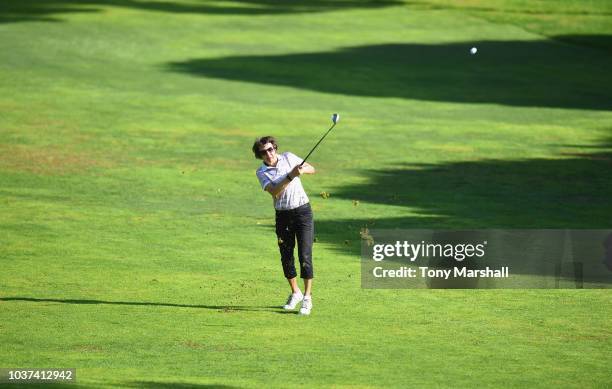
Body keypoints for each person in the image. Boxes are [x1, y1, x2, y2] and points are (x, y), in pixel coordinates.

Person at [253, 136, 316, 315]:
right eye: (263, 152)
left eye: (270, 149)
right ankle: (295, 292)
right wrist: (291, 175)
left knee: (305, 255)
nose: (268, 154)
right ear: (260, 155)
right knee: (286, 256)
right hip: (283, 215)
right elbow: (275, 191)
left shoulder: (289, 157)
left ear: (275, 148)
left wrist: (302, 170)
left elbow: (312, 169)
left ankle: (307, 298)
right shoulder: (261, 172)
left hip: (303, 212)